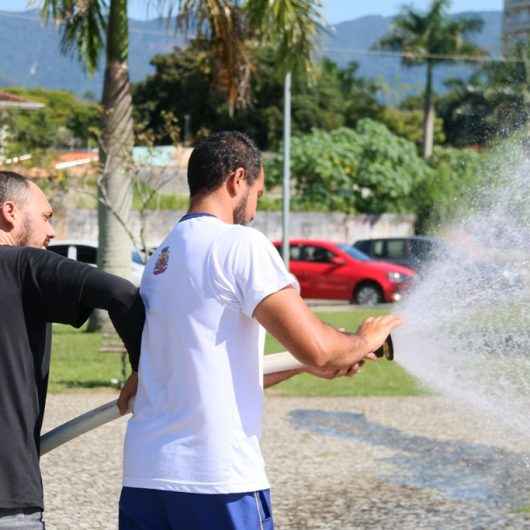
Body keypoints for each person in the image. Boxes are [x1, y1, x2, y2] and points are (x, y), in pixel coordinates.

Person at [120, 132, 402, 530]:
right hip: (217, 481)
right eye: (259, 193)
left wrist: (304, 365)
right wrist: (362, 341)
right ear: (237, 180)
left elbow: (210, 373)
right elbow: (320, 349)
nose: (255, 208)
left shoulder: (162, 258)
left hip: (146, 479)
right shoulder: (239, 244)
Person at [0, 171, 145, 530]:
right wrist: (145, 372)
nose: (52, 232)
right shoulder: (22, 266)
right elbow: (121, 293)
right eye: (47, 217)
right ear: (9, 212)